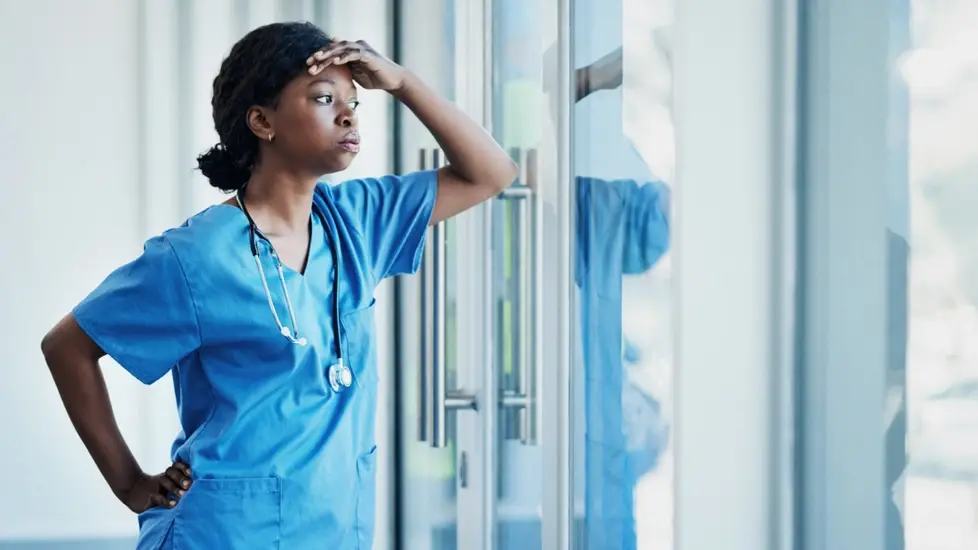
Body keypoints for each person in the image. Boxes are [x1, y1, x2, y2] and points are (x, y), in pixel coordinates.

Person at [39, 22, 516, 549]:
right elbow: (68, 347)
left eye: (353, 102)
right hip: (223, 534)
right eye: (323, 98)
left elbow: (490, 173)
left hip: (335, 531)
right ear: (263, 121)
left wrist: (403, 83)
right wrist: (129, 483)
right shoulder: (196, 257)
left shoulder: (360, 222)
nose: (347, 114)